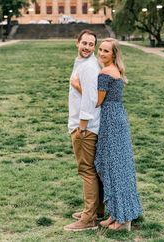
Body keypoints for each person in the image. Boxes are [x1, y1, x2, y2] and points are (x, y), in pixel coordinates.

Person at [71, 37, 143, 231]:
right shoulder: (116, 71)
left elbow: (96, 101)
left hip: (110, 122)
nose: (101, 54)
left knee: (114, 168)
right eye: (100, 50)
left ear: (114, 54)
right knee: (118, 166)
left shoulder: (104, 74)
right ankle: (116, 214)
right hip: (118, 117)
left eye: (105, 51)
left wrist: (77, 86)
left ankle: (121, 219)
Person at [64, 29, 104, 232]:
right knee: (92, 171)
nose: (88, 47)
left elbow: (90, 99)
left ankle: (89, 218)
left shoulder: (88, 67)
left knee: (86, 171)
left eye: (91, 44)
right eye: (84, 43)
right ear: (76, 43)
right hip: (86, 124)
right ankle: (96, 210)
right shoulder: (83, 63)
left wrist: (81, 127)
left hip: (85, 127)